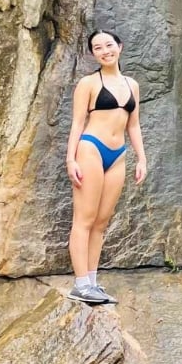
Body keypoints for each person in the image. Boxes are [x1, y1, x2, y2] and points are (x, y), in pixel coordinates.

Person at [63, 30, 146, 304]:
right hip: (91, 149)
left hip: (118, 155)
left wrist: (141, 158)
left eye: (109, 45)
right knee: (84, 219)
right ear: (92, 54)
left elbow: (133, 125)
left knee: (101, 222)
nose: (105, 51)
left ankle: (92, 283)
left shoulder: (132, 85)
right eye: (97, 48)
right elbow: (77, 122)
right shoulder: (88, 83)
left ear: (120, 47)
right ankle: (80, 285)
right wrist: (71, 159)